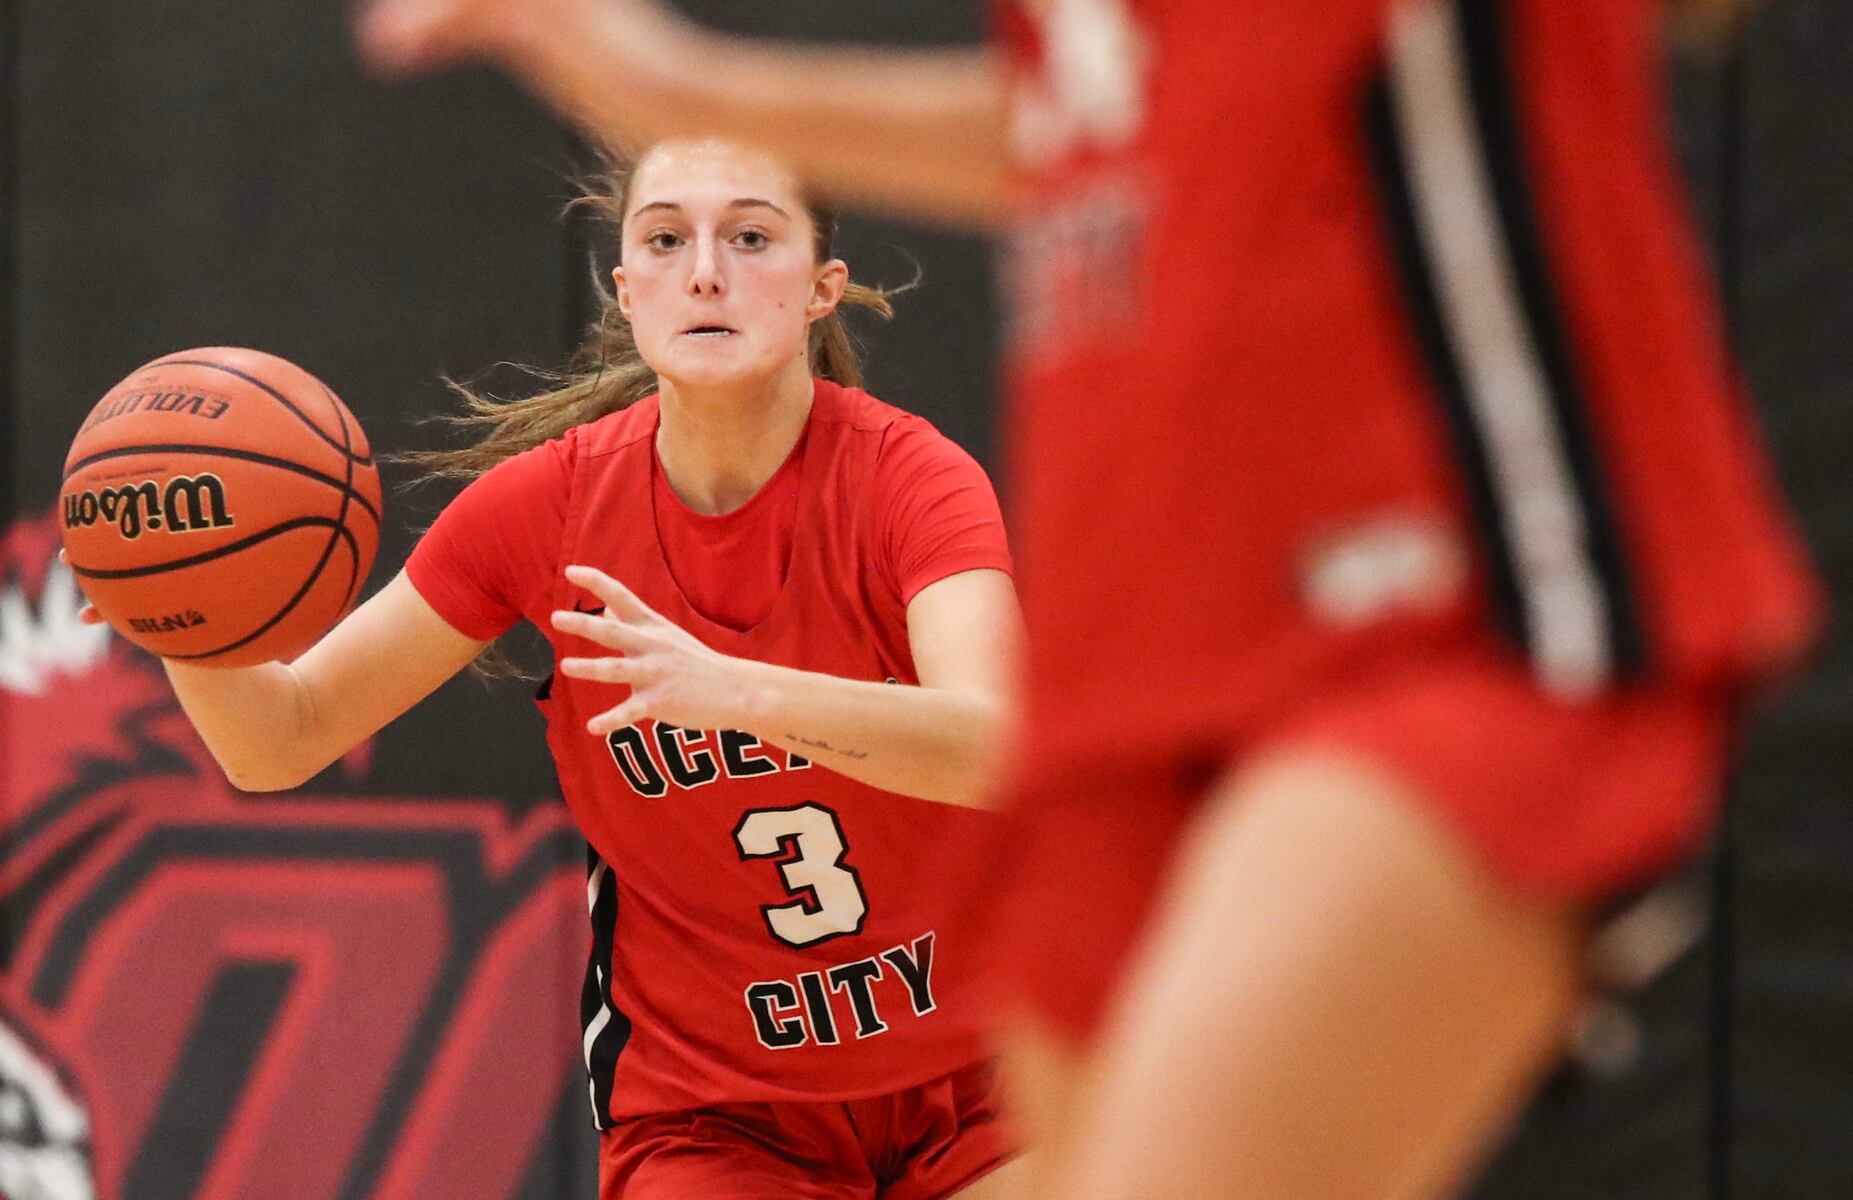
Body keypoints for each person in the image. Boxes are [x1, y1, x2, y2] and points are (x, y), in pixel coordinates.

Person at [353, 3, 1821, 1198]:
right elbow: (1086, 129)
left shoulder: (897, 481)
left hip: (1444, 607)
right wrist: (680, 76)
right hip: (1152, 677)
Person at [122, 138, 1025, 1199]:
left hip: (981, 1077)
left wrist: (739, 691)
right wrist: (177, 600)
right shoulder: (542, 510)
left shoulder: (908, 480)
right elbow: (277, 738)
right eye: (664, 240)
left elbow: (1000, 746)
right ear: (625, 290)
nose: (703, 270)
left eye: (748, 236)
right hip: (716, 1113)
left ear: (822, 288)